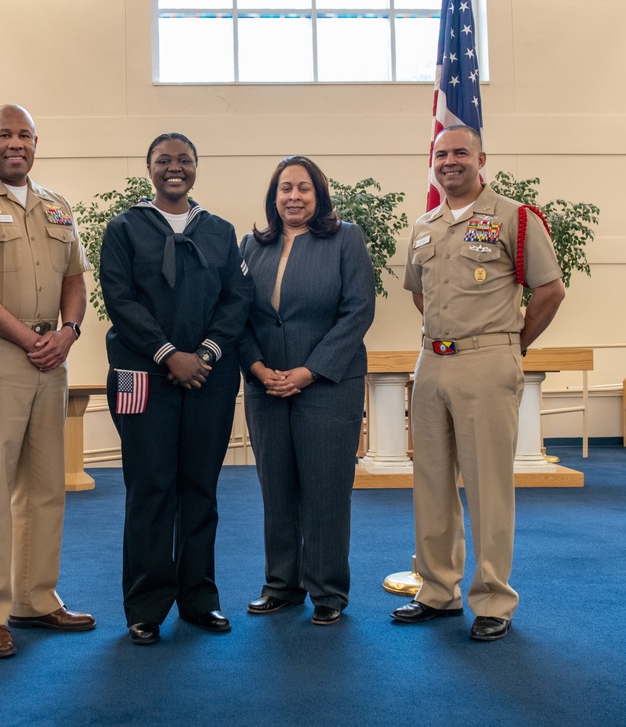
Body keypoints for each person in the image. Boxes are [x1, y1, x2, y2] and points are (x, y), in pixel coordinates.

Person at [392, 125, 564, 641]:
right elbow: (420, 294)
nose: (450, 161)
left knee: (488, 484)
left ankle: (493, 600)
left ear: (481, 158)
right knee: (432, 483)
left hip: (488, 361)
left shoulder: (514, 216)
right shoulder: (425, 225)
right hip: (431, 362)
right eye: (441, 154)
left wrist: (512, 343)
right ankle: (437, 591)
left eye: (460, 152)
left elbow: (550, 291)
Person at [0, 105, 94, 660]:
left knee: (44, 487)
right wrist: (25, 337)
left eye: (24, 134)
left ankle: (34, 599)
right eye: (4, 134)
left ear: (36, 142)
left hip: (50, 356)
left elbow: (75, 279)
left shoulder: (57, 206)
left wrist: (69, 331)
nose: (15, 143)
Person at [100, 132, 254, 646]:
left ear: (196, 168)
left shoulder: (220, 231)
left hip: (208, 379)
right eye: (164, 160)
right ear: (149, 168)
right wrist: (169, 354)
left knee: (199, 489)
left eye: (184, 160)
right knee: (150, 487)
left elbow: (236, 301)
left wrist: (204, 355)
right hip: (142, 376)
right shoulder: (123, 229)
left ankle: (200, 599)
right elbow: (120, 301)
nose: (175, 167)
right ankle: (145, 606)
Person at [239, 156, 376, 626]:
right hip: (264, 385)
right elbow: (237, 314)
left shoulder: (345, 239)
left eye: (303, 188)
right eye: (284, 189)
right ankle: (281, 585)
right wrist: (257, 368)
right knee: (276, 489)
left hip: (328, 385)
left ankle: (328, 591)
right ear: (273, 197)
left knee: (326, 490)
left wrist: (309, 371)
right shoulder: (251, 246)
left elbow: (358, 311)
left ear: (319, 196)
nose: (293, 197)